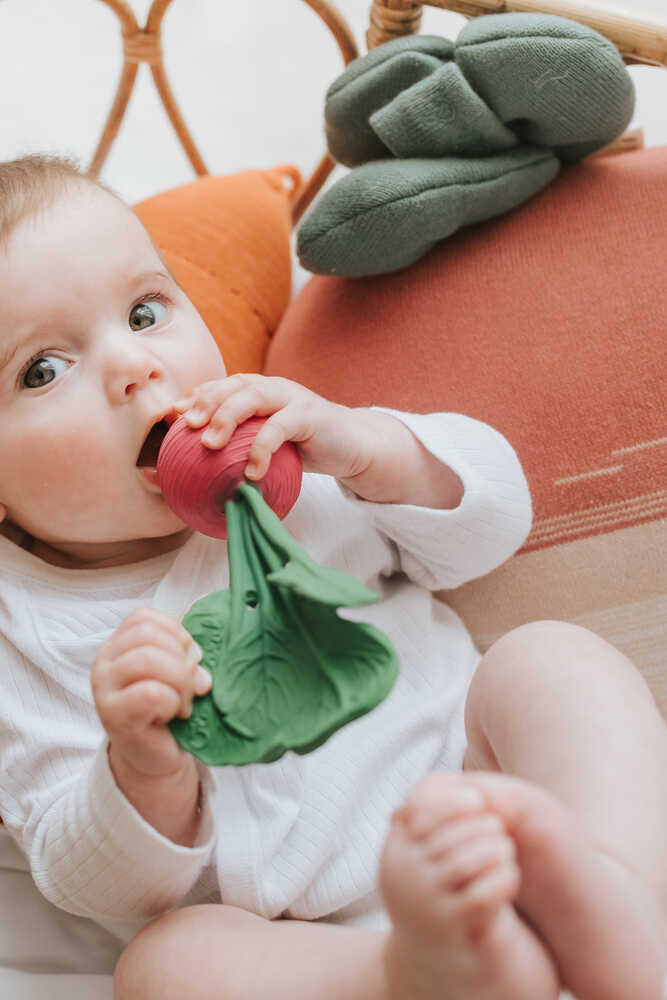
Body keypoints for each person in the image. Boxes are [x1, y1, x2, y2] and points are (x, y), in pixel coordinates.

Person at [0, 155, 664, 1000]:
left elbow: (490, 527)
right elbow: (83, 876)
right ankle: (418, 974)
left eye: (144, 311)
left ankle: (616, 895)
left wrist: (370, 449)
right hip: (296, 942)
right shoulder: (18, 627)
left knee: (549, 660)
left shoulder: (295, 458)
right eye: (41, 370)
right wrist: (139, 770)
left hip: (478, 779)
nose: (134, 366)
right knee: (165, 965)